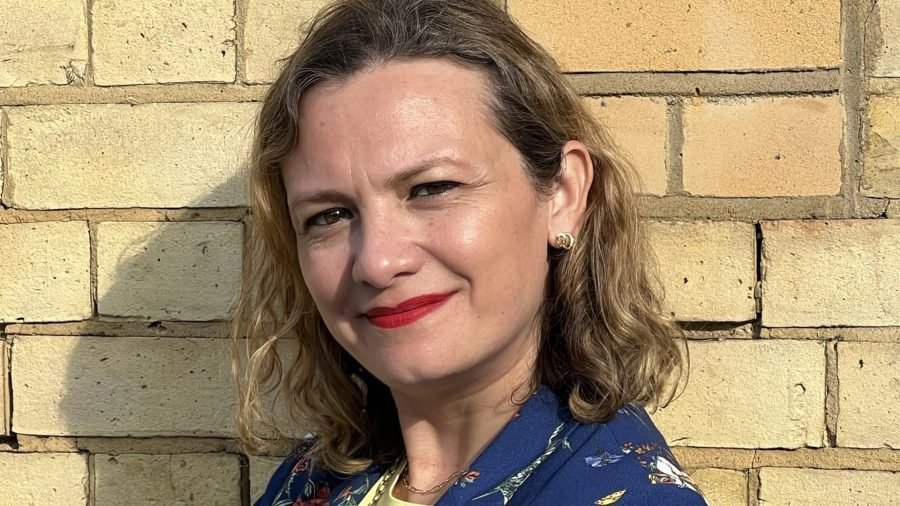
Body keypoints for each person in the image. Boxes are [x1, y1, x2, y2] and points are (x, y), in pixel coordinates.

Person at [232, 0, 707, 504]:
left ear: (563, 195)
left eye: (432, 188)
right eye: (329, 215)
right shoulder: (311, 479)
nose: (377, 262)